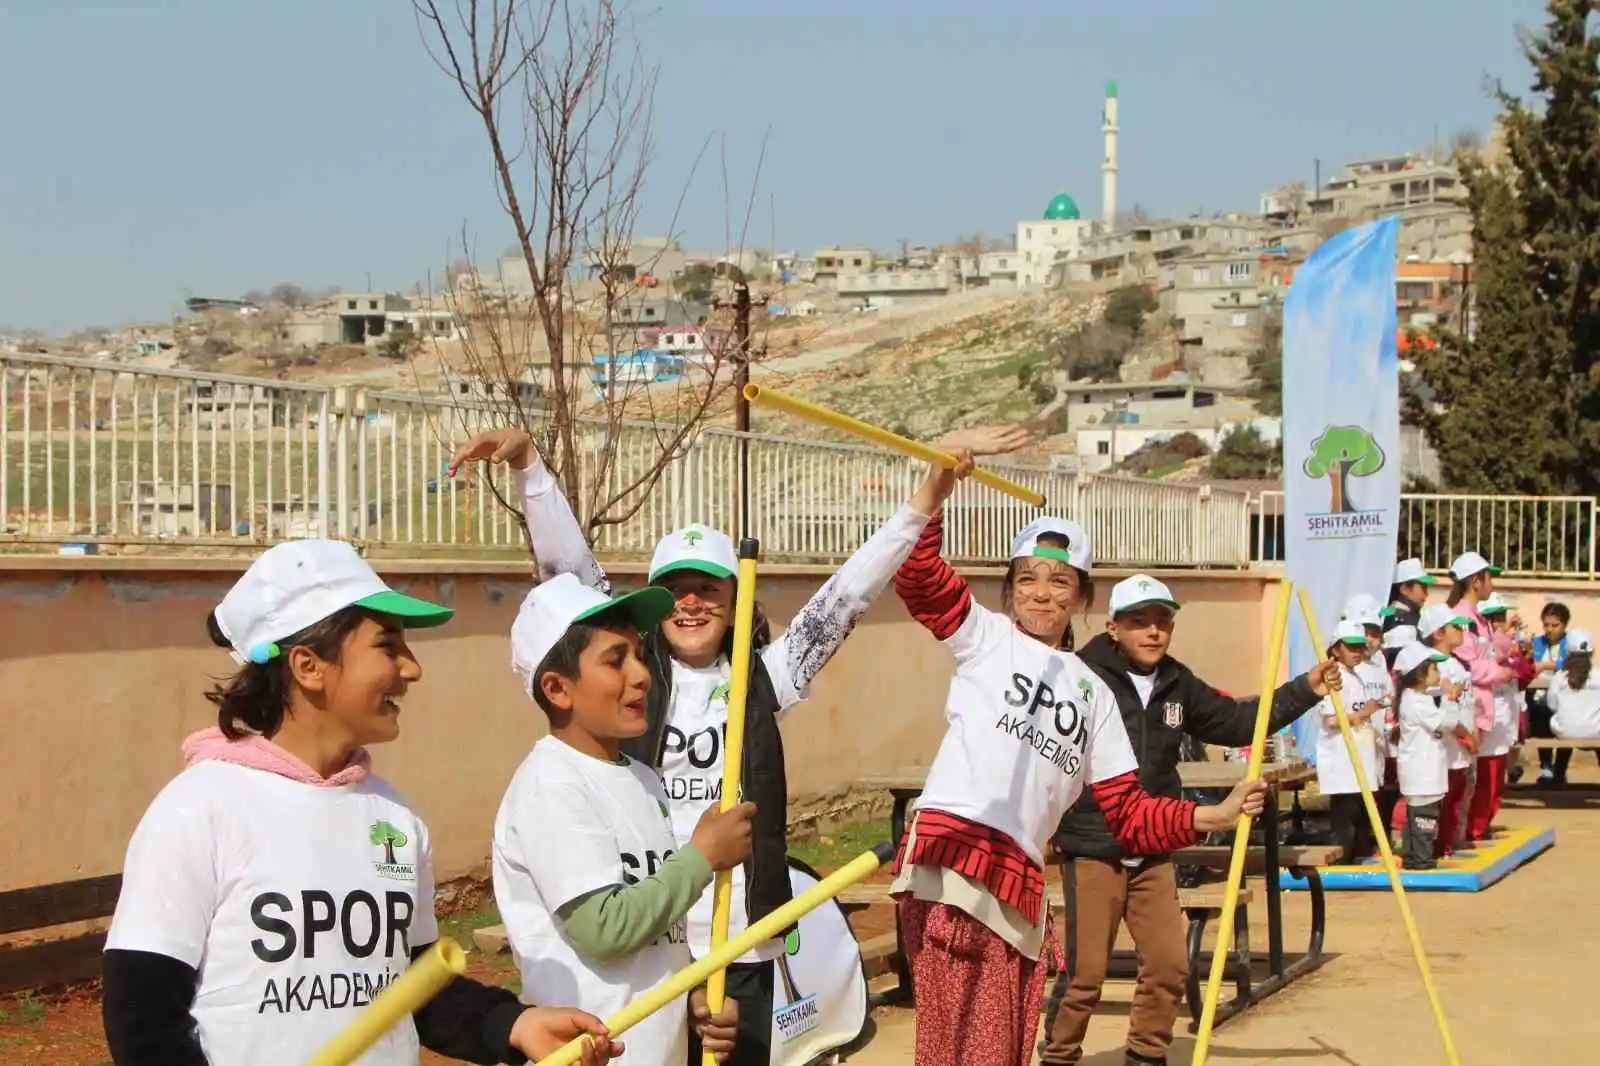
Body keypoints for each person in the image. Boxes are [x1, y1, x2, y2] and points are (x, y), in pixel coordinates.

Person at [448, 422, 1029, 1066]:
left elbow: (844, 599)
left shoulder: (765, 678)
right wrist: (532, 471)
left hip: (741, 938)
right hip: (651, 936)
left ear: (734, 600)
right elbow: (571, 577)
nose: (691, 603)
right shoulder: (631, 675)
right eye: (676, 589)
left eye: (709, 589)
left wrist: (925, 500)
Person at [101, 540, 621, 1066]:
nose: (411, 669)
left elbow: (416, 991)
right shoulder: (198, 809)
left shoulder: (395, 817)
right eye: (387, 645)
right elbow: (143, 1020)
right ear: (308, 666)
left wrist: (513, 1023)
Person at [890, 507, 1268, 1066]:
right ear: (1010, 590)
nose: (1042, 594)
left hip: (1016, 883)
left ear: (1081, 596)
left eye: (1059, 581)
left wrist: (1216, 816)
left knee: (1002, 1046)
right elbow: (917, 574)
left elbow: (1131, 813)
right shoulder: (986, 637)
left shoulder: (1092, 692)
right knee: (957, 1045)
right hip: (951, 861)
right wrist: (941, 481)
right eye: (1027, 579)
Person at [1042, 575, 1340, 1066]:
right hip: (1093, 845)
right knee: (1085, 972)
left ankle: (1146, 1054)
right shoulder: (1080, 677)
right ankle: (1058, 1054)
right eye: (1140, 622)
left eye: (1163, 621)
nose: (1154, 632)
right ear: (1114, 627)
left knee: (1168, 965)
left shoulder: (1177, 682)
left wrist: (1307, 687)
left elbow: (1239, 722)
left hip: (1154, 844)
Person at [492, 573, 746, 1066]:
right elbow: (604, 929)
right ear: (557, 689)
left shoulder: (644, 780)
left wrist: (692, 995)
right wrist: (702, 858)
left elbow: (658, 924)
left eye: (637, 653)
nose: (642, 674)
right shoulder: (552, 784)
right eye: (615, 660)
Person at [1314, 619, 1385, 862]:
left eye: (1360, 647)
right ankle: (1341, 864)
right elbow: (1331, 720)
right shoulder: (1334, 678)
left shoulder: (1357, 676)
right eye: (1351, 647)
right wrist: (1365, 713)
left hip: (1361, 758)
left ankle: (1357, 859)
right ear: (1336, 649)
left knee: (1361, 816)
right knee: (1346, 820)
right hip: (1343, 760)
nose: (1358, 652)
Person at [1418, 603, 1477, 857]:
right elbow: (1438, 710)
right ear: (1439, 633)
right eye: (1455, 626)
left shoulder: (1456, 664)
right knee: (1441, 802)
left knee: (1455, 801)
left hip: (1461, 749)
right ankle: (1435, 847)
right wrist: (1463, 735)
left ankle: (1447, 846)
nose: (1462, 630)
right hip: (1447, 749)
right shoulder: (1433, 667)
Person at [1469, 595, 1529, 839]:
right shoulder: (1484, 646)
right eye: (1497, 617)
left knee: (1495, 781)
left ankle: (1481, 826)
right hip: (1488, 721)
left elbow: (1525, 672)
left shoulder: (1507, 646)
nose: (1503, 622)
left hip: (1505, 721)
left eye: (1503, 617)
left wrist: (1520, 649)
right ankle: (1474, 828)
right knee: (1485, 780)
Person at [1344, 594, 1400, 837]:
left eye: (1377, 634)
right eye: (1369, 632)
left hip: (1379, 739)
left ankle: (1377, 840)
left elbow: (1389, 694)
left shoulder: (1379, 662)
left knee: (1380, 789)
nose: (1373, 640)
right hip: (1356, 743)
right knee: (1357, 798)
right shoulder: (1347, 669)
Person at [1394, 642, 1453, 871]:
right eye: (1434, 669)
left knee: (1416, 816)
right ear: (1420, 674)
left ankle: (1413, 857)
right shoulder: (1417, 701)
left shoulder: (1415, 696)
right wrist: (1450, 699)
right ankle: (1421, 860)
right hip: (1423, 773)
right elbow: (1446, 723)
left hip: (1422, 770)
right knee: (1424, 818)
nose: (1439, 674)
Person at [1528, 602, 1573, 784]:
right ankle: (1546, 766)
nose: (1549, 630)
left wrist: (1547, 665)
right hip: (1539, 697)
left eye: (1555, 625)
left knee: (1567, 728)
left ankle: (1560, 770)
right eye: (1546, 625)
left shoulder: (1571, 643)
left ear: (1564, 625)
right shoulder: (1536, 643)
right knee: (1540, 720)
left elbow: (1573, 665)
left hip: (1565, 699)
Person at [1385, 558, 1437, 633]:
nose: (1427, 594)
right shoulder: (1403, 619)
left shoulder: (1388, 613)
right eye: (1423, 587)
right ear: (1405, 589)